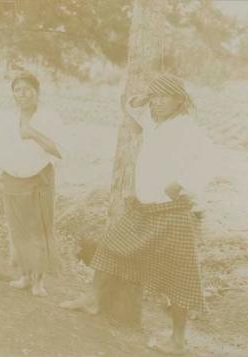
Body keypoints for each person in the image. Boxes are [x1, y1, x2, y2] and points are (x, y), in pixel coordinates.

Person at [61, 74, 220, 355]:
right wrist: (145, 99)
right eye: (154, 97)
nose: (156, 102)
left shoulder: (187, 128)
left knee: (179, 277)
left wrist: (184, 182)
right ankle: (92, 298)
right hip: (144, 209)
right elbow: (129, 105)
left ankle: (178, 339)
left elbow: (210, 160)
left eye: (163, 97)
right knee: (110, 245)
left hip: (173, 212)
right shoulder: (152, 121)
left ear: (179, 101)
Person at [0, 71, 64, 297]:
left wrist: (33, 133)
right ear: (13, 94)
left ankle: (39, 280)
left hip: (39, 179)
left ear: (37, 92)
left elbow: (59, 149)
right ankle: (25, 275)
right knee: (18, 229)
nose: (23, 94)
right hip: (11, 179)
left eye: (27, 89)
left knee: (39, 228)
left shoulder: (50, 118)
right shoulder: (7, 119)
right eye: (17, 90)